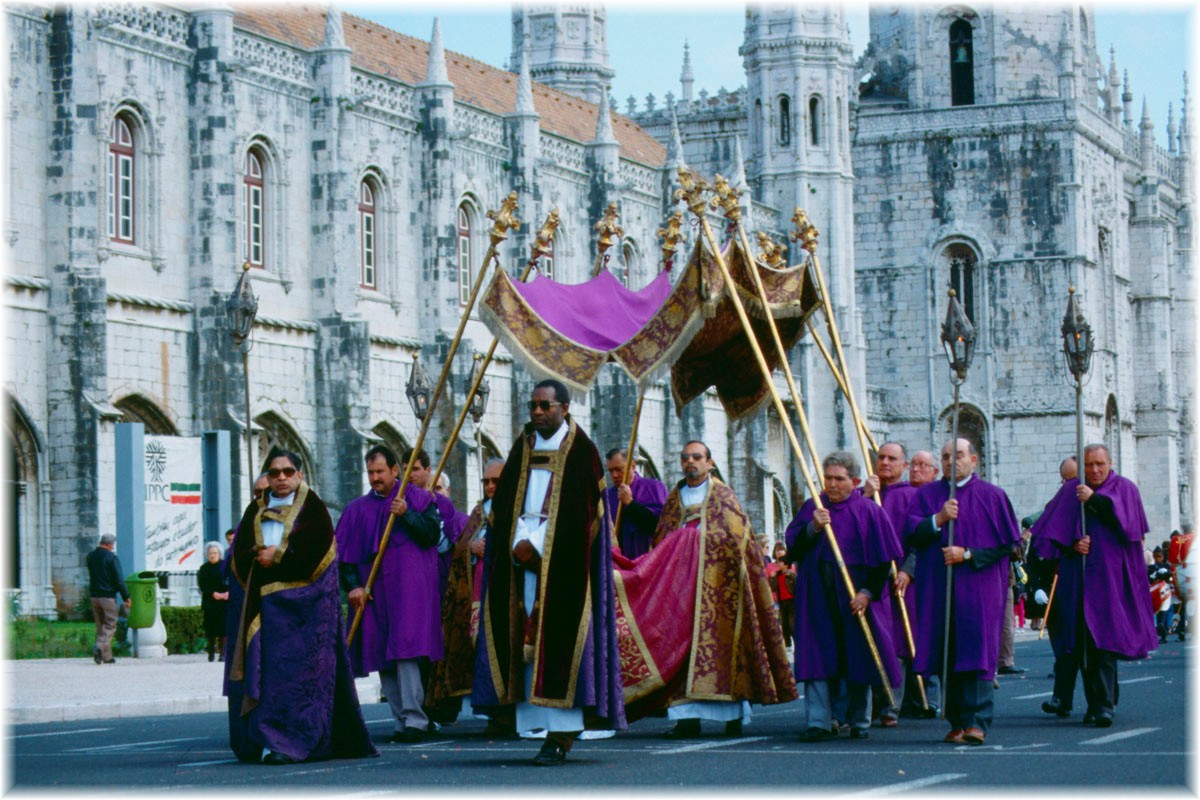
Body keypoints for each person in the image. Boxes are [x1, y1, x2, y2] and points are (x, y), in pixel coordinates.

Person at [472, 380, 625, 766]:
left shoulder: (582, 453)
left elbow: (583, 515)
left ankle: (561, 733)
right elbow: (505, 504)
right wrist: (516, 543)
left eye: (545, 405)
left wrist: (537, 546)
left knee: (557, 639)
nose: (538, 412)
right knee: (525, 639)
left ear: (565, 408)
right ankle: (536, 722)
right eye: (533, 405)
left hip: (562, 566)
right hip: (518, 560)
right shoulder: (522, 448)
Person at [225, 450, 377, 765]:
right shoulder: (255, 509)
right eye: (275, 472)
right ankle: (263, 742)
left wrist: (277, 557)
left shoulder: (314, 509)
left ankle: (292, 742)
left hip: (301, 616)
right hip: (263, 611)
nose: (281, 478)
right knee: (263, 676)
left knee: (294, 682)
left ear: (300, 475)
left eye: (288, 471)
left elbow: (316, 556)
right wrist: (256, 554)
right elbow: (239, 553)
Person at [641, 440, 797, 739]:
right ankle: (686, 719)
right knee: (682, 651)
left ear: (709, 463)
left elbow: (738, 540)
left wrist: (700, 543)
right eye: (685, 457)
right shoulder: (675, 498)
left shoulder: (723, 495)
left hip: (720, 587)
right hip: (682, 589)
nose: (690, 462)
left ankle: (733, 715)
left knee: (727, 649)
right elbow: (662, 538)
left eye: (697, 457)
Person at [1030, 444, 1158, 727]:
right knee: (1080, 637)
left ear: (1110, 462)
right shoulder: (1071, 490)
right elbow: (1048, 535)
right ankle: (1087, 701)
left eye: (1100, 463)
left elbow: (1129, 527)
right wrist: (1073, 543)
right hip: (1079, 575)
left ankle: (1103, 705)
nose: (1095, 470)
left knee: (1103, 638)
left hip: (1111, 576)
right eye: (1089, 464)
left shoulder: (1124, 488)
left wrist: (1094, 501)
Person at [904, 438, 1020, 746]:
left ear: (974, 459)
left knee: (978, 651)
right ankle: (956, 720)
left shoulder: (992, 496)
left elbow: (1008, 544)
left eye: (957, 455)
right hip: (939, 587)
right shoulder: (928, 495)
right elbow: (911, 532)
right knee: (947, 650)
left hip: (978, 588)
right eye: (944, 457)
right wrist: (938, 519)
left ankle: (977, 722)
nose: (950, 461)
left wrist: (967, 554)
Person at [788, 451, 903, 742]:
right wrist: (812, 527)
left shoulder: (869, 511)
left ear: (853, 481)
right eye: (828, 478)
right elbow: (793, 549)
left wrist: (867, 593)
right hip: (818, 597)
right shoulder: (813, 507)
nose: (832, 484)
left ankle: (859, 719)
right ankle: (818, 721)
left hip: (854, 599)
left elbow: (882, 563)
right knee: (818, 658)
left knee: (859, 656)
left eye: (839, 479)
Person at [335, 444, 442, 744]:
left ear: (396, 470)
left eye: (380, 471)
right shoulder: (356, 509)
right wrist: (353, 586)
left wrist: (407, 514)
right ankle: (400, 719)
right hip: (374, 592)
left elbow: (432, 534)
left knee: (406, 650)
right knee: (383, 654)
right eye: (370, 472)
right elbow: (343, 557)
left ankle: (415, 719)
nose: (375, 478)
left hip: (409, 592)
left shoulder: (420, 499)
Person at [426, 457, 511, 733]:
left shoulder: (516, 508)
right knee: (481, 652)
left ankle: (511, 714)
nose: (490, 486)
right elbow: (460, 548)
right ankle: (492, 714)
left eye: (496, 481)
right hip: (477, 595)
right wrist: (472, 548)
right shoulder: (478, 512)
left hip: (508, 595)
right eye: (486, 481)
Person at [862, 441, 928, 724]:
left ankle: (894, 705)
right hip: (872, 581)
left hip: (901, 579)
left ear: (903, 465)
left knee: (901, 642)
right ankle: (878, 704)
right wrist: (864, 496)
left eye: (892, 458)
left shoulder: (912, 496)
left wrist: (908, 570)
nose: (885, 462)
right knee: (876, 641)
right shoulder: (867, 495)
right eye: (881, 458)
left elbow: (921, 539)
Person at [602, 448, 667, 559]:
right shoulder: (607, 496)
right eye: (611, 471)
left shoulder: (654, 488)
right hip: (618, 562)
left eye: (619, 469)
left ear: (632, 466)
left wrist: (630, 504)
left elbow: (661, 525)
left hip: (646, 560)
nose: (615, 475)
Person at [86, 533, 130, 665]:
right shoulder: (111, 558)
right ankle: (99, 647)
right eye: (113, 545)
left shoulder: (90, 557)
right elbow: (119, 580)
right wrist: (126, 596)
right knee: (110, 625)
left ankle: (106, 657)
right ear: (110, 544)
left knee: (101, 626)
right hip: (107, 596)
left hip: (94, 596)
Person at [197, 542, 229, 662]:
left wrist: (227, 593)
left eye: (215, 553)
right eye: (210, 553)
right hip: (210, 602)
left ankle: (223, 653)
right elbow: (202, 585)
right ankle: (211, 653)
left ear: (219, 554)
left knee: (223, 630)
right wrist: (213, 593)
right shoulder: (203, 568)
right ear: (207, 554)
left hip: (224, 602)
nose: (212, 555)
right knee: (210, 630)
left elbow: (231, 581)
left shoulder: (225, 566)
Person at [765, 541, 795, 648]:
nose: (780, 552)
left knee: (792, 623)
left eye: (782, 549)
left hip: (791, 599)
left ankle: (796, 642)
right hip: (779, 600)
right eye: (778, 550)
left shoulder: (790, 567)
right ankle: (787, 644)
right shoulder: (771, 567)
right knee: (784, 624)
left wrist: (790, 573)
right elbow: (771, 586)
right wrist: (772, 577)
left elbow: (795, 581)